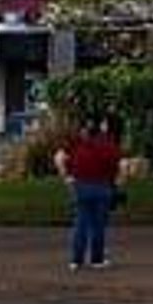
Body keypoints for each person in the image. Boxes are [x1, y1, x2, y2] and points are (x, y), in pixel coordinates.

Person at [54, 116, 123, 271]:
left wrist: (67, 178)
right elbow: (119, 165)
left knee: (81, 223)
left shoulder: (76, 145)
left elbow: (59, 158)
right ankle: (96, 259)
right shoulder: (108, 144)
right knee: (99, 225)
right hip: (102, 186)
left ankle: (76, 260)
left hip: (81, 185)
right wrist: (117, 183)